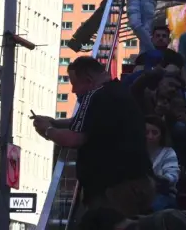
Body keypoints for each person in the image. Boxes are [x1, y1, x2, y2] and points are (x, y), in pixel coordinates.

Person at [32, 57, 153, 215]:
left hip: (114, 188)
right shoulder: (118, 91)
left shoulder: (94, 94)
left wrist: (47, 130)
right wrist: (55, 123)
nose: (73, 91)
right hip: (140, 181)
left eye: (74, 84)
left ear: (89, 81)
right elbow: (91, 122)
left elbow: (74, 139)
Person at [145, 116, 180, 211]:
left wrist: (159, 179)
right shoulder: (136, 151)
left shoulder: (168, 152)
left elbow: (173, 175)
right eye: (146, 133)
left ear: (161, 134)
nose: (150, 136)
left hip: (164, 193)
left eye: (154, 133)